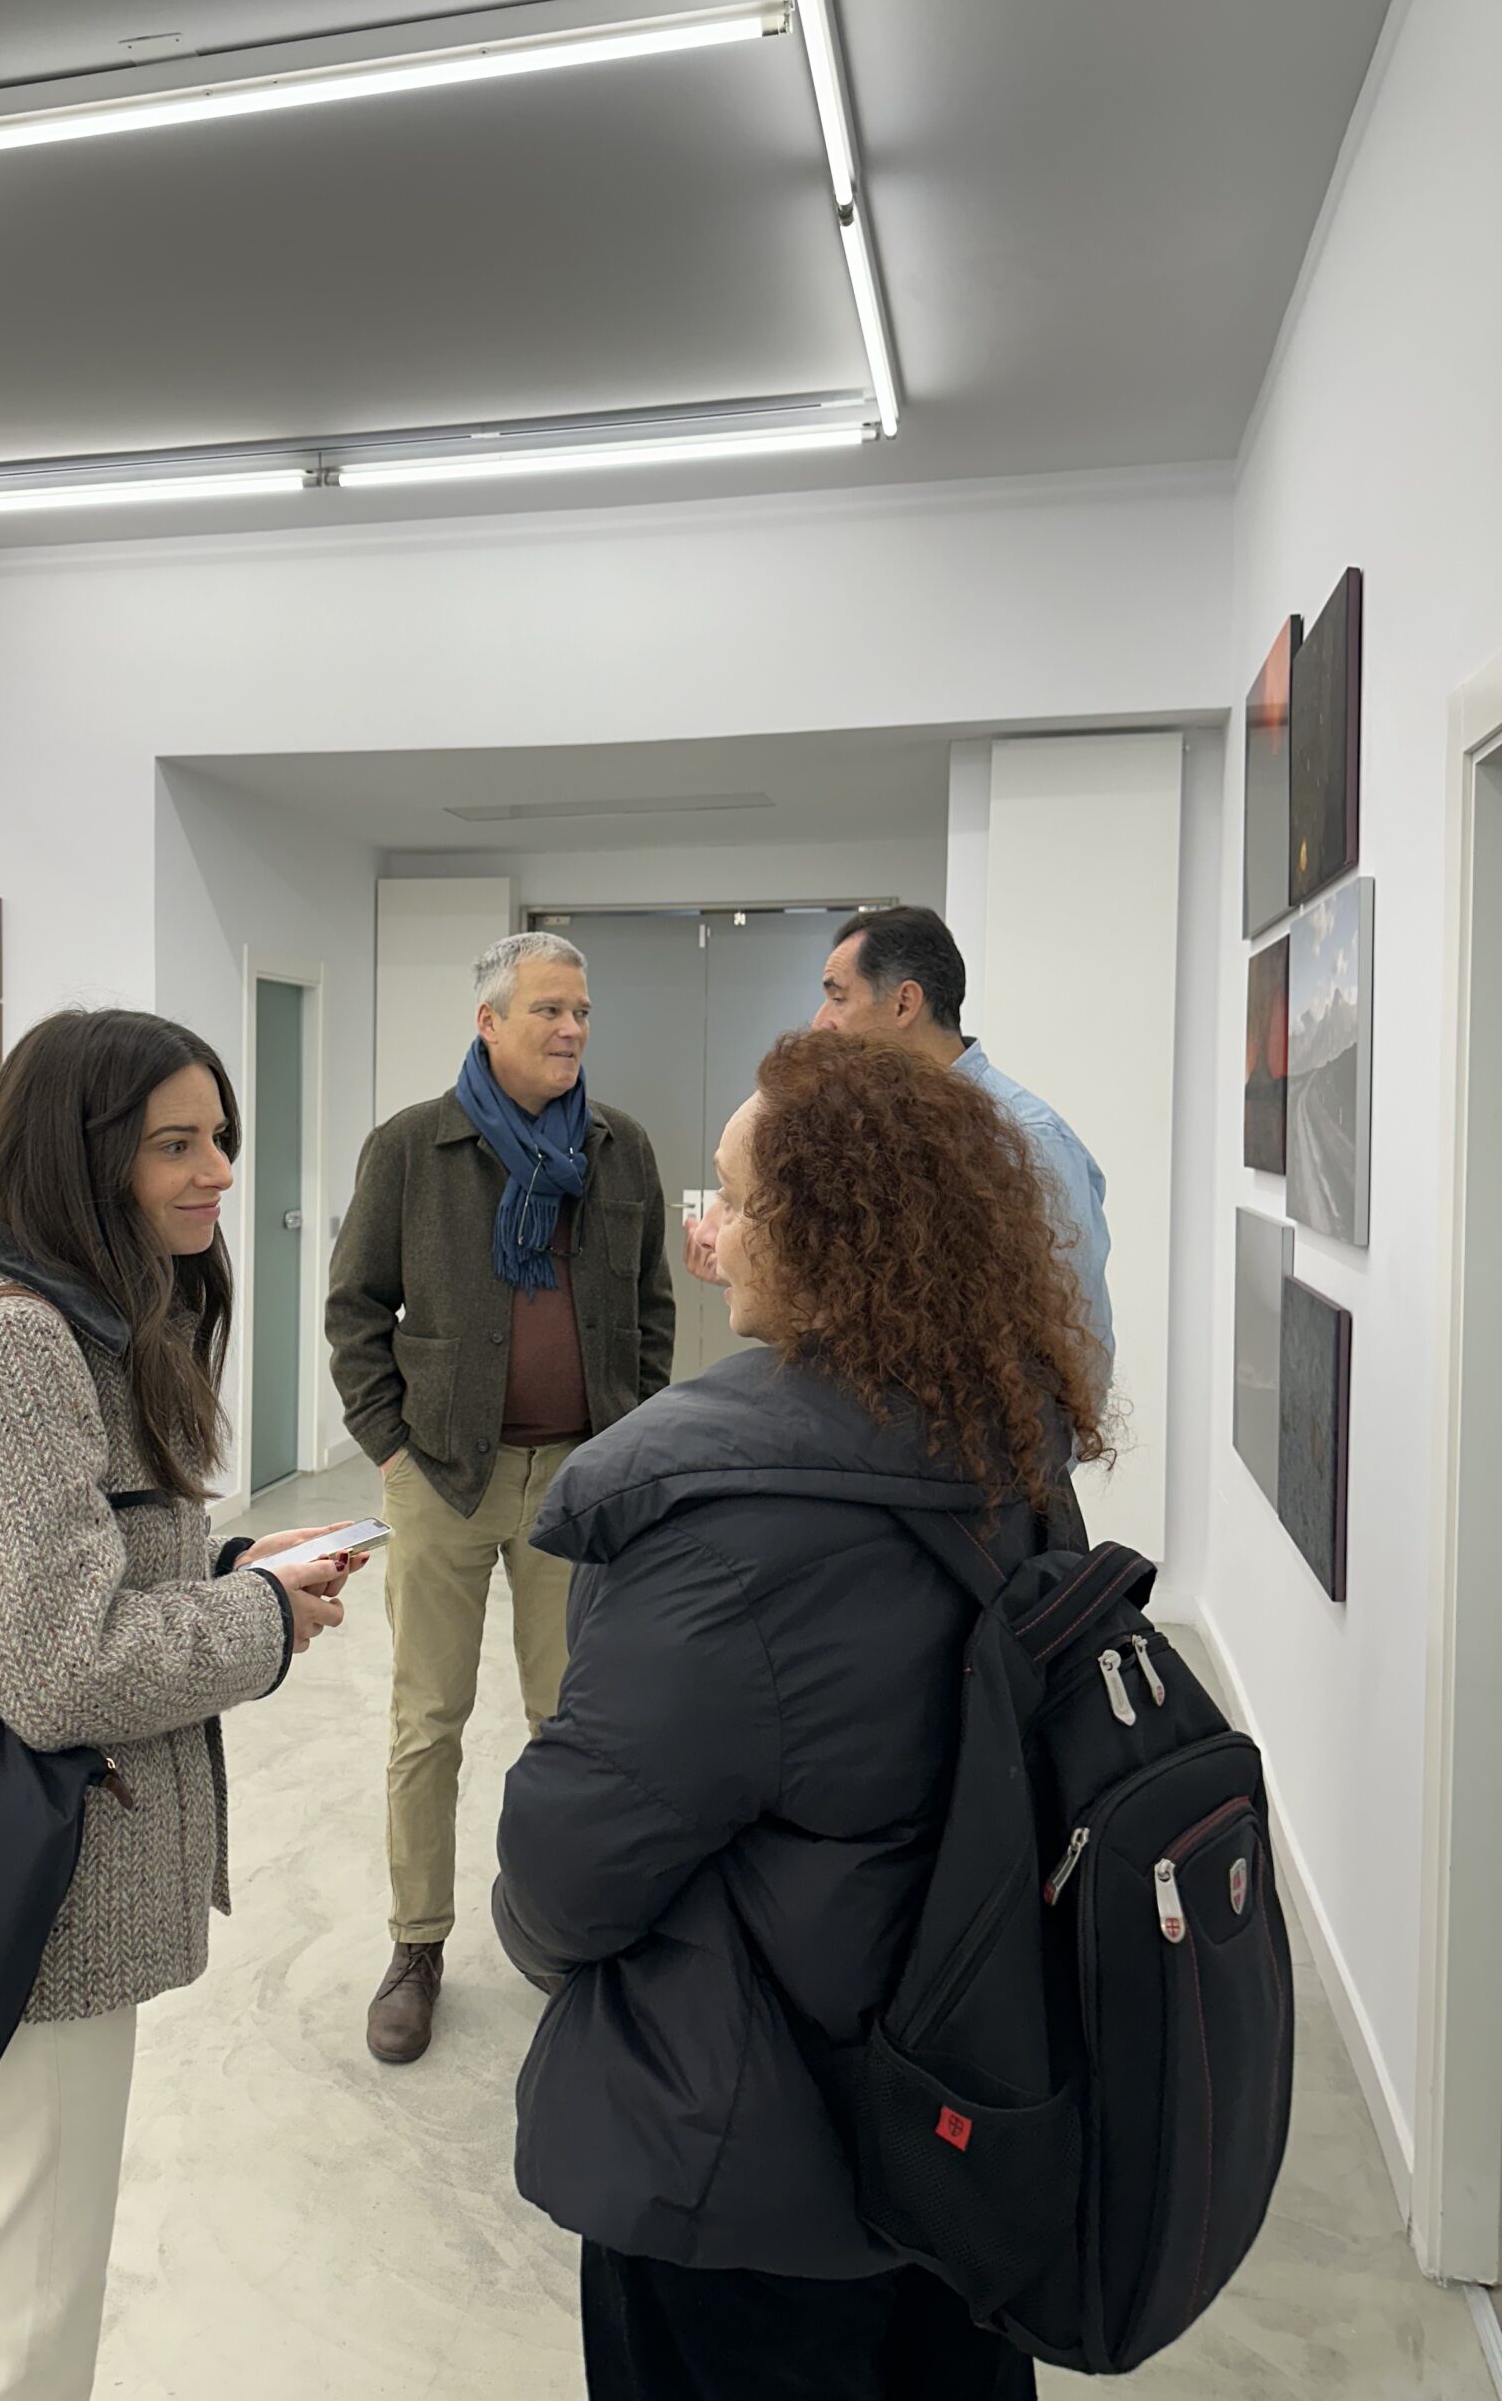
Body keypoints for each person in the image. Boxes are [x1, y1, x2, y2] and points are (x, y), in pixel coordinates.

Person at [494, 1028, 1110, 2401]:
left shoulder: (725, 1531)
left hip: (746, 2166)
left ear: (827, 1235)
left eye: (736, 1198)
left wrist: (541, 1950)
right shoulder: (1006, 1452)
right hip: (968, 2115)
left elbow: (570, 1869)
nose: (710, 1232)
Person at [0, 1008, 354, 2401]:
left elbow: (51, 1574)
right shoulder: (24, 1346)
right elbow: (56, 1669)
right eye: (175, 1145)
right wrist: (258, 1618)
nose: (216, 1172)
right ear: (83, 1160)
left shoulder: (91, 1327)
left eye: (221, 1140)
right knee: (10, 2298)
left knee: (19, 2268)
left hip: (60, 1876)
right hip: (34, 1891)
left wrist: (215, 1567)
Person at [327, 933, 676, 2065]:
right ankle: (417, 1945)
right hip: (443, 1478)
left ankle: (566, 1940)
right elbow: (354, 1309)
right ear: (489, 1022)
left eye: (582, 1011)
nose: (572, 1030)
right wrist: (390, 1446)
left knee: (572, 1729)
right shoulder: (410, 1150)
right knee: (427, 1723)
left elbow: (651, 1311)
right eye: (547, 1012)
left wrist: (628, 1437)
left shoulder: (620, 1154)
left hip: (578, 1485)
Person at [686, 904, 1113, 1370]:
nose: (820, 1021)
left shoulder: (1027, 1140)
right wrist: (754, 1263)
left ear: (904, 1003)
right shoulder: (876, 1135)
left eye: (839, 997)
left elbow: (1074, 1345)